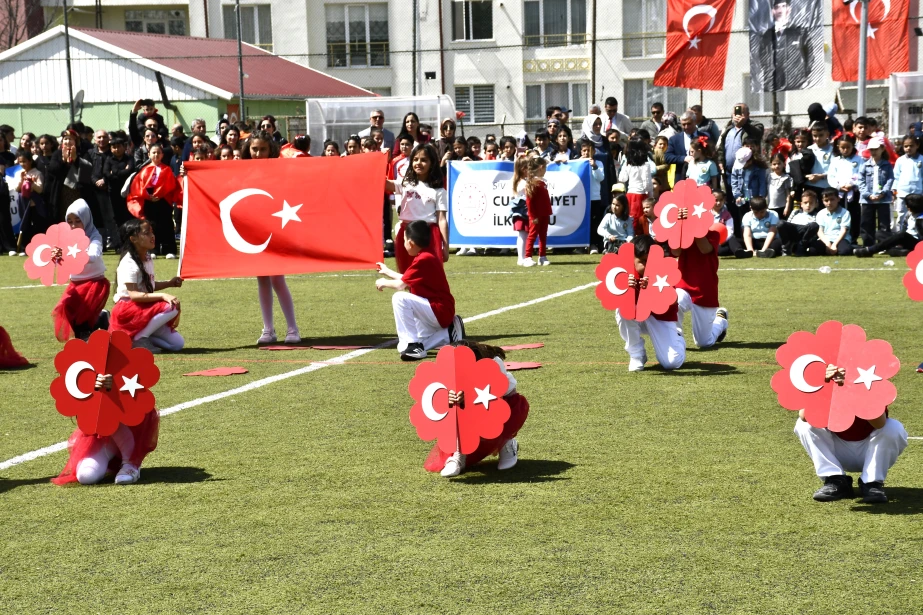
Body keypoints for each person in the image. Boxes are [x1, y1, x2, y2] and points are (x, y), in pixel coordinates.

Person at [794, 364, 907, 503]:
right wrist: (824, 384)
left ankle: (871, 483)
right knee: (804, 425)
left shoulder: (870, 381)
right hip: (836, 450)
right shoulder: (823, 380)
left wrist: (854, 387)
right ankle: (835, 480)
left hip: (870, 451)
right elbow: (804, 416)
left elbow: (879, 423)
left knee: (893, 427)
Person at [423, 341, 528, 478]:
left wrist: (469, 397)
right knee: (455, 413)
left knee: (500, 412)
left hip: (500, 407)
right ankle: (459, 454)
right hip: (466, 415)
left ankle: (506, 444)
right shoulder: (447, 367)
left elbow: (496, 399)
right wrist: (447, 398)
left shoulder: (493, 363)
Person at [239, 131, 301, 345]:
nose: (258, 153)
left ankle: (292, 329)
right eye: (254, 149)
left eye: (262, 149)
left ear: (271, 149)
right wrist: (187, 173)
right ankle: (268, 330)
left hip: (276, 227)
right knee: (262, 278)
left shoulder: (279, 168)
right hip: (254, 231)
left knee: (277, 278)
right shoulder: (241, 170)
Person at [375, 220, 463, 361]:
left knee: (399, 298)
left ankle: (414, 345)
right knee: (405, 346)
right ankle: (448, 334)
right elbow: (407, 279)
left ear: (410, 243)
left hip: (439, 310)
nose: (403, 243)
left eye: (404, 240)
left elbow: (400, 285)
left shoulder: (424, 258)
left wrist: (384, 283)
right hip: (439, 310)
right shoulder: (426, 255)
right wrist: (387, 271)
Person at [52, 371, 160, 485]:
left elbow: (140, 378)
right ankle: (110, 462)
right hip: (100, 433)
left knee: (110, 412)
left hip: (128, 423)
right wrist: (89, 384)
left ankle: (131, 462)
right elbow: (80, 413)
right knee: (86, 476)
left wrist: (116, 384)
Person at [109, 219, 183, 354]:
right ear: (133, 239)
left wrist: (169, 283)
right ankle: (140, 338)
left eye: (152, 232)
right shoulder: (129, 263)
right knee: (171, 306)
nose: (152, 236)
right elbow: (134, 295)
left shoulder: (147, 257)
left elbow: (149, 287)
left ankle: (138, 336)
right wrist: (163, 295)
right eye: (146, 233)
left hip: (142, 307)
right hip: (128, 310)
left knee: (177, 344)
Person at [615, 235, 686, 372]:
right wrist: (624, 287)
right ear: (632, 258)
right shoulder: (624, 271)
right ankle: (637, 354)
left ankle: (678, 338)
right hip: (637, 317)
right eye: (642, 261)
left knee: (672, 362)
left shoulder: (662, 269)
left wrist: (653, 289)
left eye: (649, 261)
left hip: (660, 317)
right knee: (622, 308)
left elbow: (674, 299)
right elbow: (611, 296)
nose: (646, 265)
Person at [50, 200, 110, 342]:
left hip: (94, 283)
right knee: (68, 310)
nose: (73, 225)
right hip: (75, 284)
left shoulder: (94, 236)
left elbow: (93, 256)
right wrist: (55, 257)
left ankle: (90, 329)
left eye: (78, 221)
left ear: (86, 220)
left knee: (83, 316)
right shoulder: (65, 238)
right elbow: (61, 262)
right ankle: (101, 317)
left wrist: (70, 254)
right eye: (69, 221)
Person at [387, 144, 449, 273]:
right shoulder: (405, 183)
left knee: (428, 273)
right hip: (407, 232)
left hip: (428, 235)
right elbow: (385, 184)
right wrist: (381, 161)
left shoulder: (439, 190)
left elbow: (442, 219)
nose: (418, 163)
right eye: (415, 159)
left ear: (432, 163)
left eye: (424, 160)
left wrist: (446, 247)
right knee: (407, 273)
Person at [673, 216, 728, 349]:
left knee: (704, 342)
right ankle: (676, 337)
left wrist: (690, 224)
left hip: (704, 291)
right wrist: (680, 226)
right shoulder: (682, 233)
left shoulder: (713, 234)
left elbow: (704, 249)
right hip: (683, 286)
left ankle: (721, 320)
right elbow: (675, 251)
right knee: (674, 302)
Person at [125, 143, 182, 259]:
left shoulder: (167, 169)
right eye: (154, 152)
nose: (156, 155)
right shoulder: (144, 170)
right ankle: (152, 249)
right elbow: (138, 186)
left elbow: (170, 185)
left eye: (158, 152)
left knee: (167, 224)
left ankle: (169, 249)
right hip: (149, 201)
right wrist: (148, 195)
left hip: (164, 200)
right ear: (149, 155)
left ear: (162, 155)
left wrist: (159, 194)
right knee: (150, 226)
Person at [717, 103, 764, 229]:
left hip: (747, 173)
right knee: (732, 202)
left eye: (741, 113)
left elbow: (758, 134)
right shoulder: (728, 128)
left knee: (746, 202)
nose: (737, 116)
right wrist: (720, 161)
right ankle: (736, 231)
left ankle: (749, 230)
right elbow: (721, 147)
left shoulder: (754, 126)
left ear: (748, 114)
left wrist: (745, 124)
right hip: (730, 172)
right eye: (735, 113)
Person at [758, 0, 815, 91]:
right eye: (777, 7)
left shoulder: (800, 32)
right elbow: (763, 58)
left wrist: (803, 76)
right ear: (773, 11)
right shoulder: (767, 36)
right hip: (774, 84)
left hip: (796, 83)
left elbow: (810, 55)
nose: (780, 10)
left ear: (788, 10)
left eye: (783, 6)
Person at [855, 193, 923, 257]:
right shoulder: (909, 214)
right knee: (879, 234)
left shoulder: (921, 217)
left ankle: (870, 250)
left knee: (902, 235)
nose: (906, 206)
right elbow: (904, 228)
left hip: (917, 243)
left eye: (907, 205)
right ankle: (902, 251)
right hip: (904, 239)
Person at [858, 137, 895, 247]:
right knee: (867, 223)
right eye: (871, 150)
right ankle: (868, 245)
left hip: (883, 199)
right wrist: (868, 195)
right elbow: (860, 181)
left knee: (884, 223)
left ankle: (884, 245)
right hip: (867, 200)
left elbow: (890, 179)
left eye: (876, 149)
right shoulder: (864, 165)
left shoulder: (887, 165)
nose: (873, 152)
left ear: (882, 149)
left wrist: (883, 193)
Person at [827, 133, 863, 241]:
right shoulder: (835, 160)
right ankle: (839, 237)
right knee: (840, 214)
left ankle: (854, 237)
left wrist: (853, 184)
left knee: (854, 214)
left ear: (853, 146)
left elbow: (861, 174)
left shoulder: (859, 159)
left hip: (854, 192)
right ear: (838, 147)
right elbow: (831, 176)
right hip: (839, 193)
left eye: (848, 147)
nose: (845, 150)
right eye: (843, 147)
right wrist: (838, 186)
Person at [11, 150, 47, 252]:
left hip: (35, 204)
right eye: (20, 162)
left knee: (37, 225)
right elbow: (17, 189)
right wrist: (22, 180)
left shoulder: (37, 173)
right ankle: (24, 248)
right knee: (25, 225)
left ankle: (38, 247)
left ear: (30, 161)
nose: (22, 164)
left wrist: (32, 183)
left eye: (24, 161)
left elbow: (40, 189)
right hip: (23, 204)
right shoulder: (19, 173)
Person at [619, 139, 656, 237]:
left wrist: (624, 165)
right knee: (640, 219)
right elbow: (647, 184)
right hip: (640, 195)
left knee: (631, 219)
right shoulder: (645, 165)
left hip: (630, 194)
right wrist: (651, 196)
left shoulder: (628, 164)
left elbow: (622, 178)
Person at [522, 156, 552, 267]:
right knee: (532, 235)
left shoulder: (542, 182)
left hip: (544, 214)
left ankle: (542, 256)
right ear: (541, 167)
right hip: (536, 216)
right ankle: (527, 257)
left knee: (543, 235)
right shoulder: (533, 183)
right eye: (545, 168)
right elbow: (529, 202)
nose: (545, 171)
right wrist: (533, 216)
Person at [579, 138, 606, 253]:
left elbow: (601, 178)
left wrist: (594, 167)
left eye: (589, 150)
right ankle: (581, 245)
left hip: (594, 197)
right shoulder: (578, 163)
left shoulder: (598, 163)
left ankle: (593, 244)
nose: (586, 153)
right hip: (580, 197)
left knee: (594, 222)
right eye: (584, 150)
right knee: (582, 222)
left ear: (594, 151)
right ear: (581, 152)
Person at [892, 135, 923, 233]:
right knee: (901, 214)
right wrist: (894, 191)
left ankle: (916, 234)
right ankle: (900, 235)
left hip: (917, 193)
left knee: (917, 215)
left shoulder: (921, 159)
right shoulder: (900, 160)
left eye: (911, 146)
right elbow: (896, 177)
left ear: (917, 145)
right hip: (902, 193)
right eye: (906, 146)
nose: (908, 148)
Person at [809, 189, 853, 256]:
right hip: (826, 239)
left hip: (840, 239)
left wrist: (834, 244)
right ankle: (829, 250)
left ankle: (834, 250)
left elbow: (843, 231)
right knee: (812, 250)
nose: (829, 203)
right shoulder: (821, 213)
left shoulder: (845, 213)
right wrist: (827, 244)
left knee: (845, 251)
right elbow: (820, 231)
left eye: (832, 199)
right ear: (822, 201)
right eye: (826, 200)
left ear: (838, 199)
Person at [103, 136, 134, 227]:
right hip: (113, 191)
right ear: (111, 149)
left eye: (119, 146)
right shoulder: (109, 159)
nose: (117, 149)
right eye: (114, 147)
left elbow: (130, 171)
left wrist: (114, 172)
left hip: (127, 191)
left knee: (128, 213)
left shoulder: (129, 158)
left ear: (124, 147)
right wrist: (123, 171)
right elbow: (106, 173)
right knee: (116, 214)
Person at [778, 190, 821, 256]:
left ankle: (801, 247)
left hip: (805, 234)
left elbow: (815, 231)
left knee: (814, 225)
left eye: (811, 203)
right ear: (801, 204)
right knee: (781, 223)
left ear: (815, 204)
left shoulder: (817, 215)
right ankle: (786, 247)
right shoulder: (795, 212)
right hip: (793, 231)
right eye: (805, 203)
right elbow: (788, 223)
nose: (808, 205)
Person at [731, 146, 768, 220]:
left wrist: (761, 199)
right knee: (744, 218)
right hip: (742, 199)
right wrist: (737, 195)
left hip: (754, 199)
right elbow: (734, 181)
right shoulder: (737, 167)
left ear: (750, 161)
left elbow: (762, 184)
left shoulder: (759, 169)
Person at [665, 111, 701, 185]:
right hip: (681, 177)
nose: (686, 127)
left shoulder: (704, 137)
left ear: (695, 122)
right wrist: (683, 158)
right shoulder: (674, 139)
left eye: (689, 124)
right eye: (684, 124)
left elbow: (711, 155)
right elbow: (668, 157)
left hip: (701, 178)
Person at [805, 122, 833, 199]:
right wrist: (807, 176)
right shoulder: (808, 149)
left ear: (827, 134)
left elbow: (835, 170)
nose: (817, 138)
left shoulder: (833, 150)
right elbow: (802, 168)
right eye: (815, 136)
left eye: (821, 135)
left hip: (826, 187)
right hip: (810, 186)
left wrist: (820, 176)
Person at [510, 157, 531, 265]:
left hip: (523, 211)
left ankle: (523, 257)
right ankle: (521, 258)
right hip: (521, 211)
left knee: (524, 235)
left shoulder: (519, 181)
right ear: (523, 169)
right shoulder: (521, 183)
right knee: (522, 235)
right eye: (528, 167)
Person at [768, 153, 793, 220]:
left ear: (784, 164)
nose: (777, 166)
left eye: (779, 164)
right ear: (771, 165)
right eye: (774, 164)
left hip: (781, 207)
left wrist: (787, 207)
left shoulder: (786, 177)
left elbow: (788, 194)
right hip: (770, 206)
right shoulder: (769, 176)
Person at [711, 190, 734, 256]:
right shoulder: (706, 213)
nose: (718, 203)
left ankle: (738, 251)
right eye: (716, 200)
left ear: (724, 200)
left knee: (732, 238)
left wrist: (723, 240)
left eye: (721, 200)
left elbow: (730, 230)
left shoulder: (727, 214)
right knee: (720, 251)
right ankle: (731, 250)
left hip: (724, 239)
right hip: (711, 241)